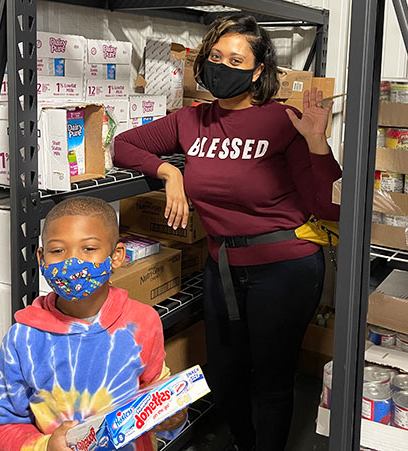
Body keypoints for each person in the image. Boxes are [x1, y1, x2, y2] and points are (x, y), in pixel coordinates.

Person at [114, 14, 341, 451]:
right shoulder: (191, 121)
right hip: (222, 268)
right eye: (215, 56)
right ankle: (242, 441)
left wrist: (317, 142)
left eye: (236, 60)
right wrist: (168, 171)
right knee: (222, 372)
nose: (222, 66)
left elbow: (328, 205)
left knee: (272, 378)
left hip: (284, 267)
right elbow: (124, 144)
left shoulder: (282, 121)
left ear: (258, 71)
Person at [0, 197, 186, 451]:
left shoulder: (143, 321)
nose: (73, 263)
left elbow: (156, 391)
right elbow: (3, 425)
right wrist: (45, 447)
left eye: (89, 249)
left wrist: (173, 416)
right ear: (42, 258)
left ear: (116, 256)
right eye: (58, 250)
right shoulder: (22, 338)